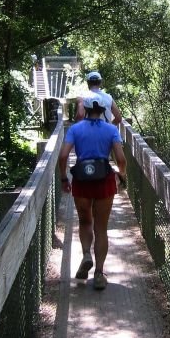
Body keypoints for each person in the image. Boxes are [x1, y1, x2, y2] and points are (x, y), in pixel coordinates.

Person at [58, 94, 127, 290]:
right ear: (103, 111)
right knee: (101, 228)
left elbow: (63, 156)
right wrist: (121, 175)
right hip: (104, 180)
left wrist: (64, 178)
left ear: (85, 110)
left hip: (81, 179)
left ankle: (86, 253)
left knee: (85, 221)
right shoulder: (111, 129)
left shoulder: (75, 129)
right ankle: (98, 273)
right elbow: (120, 159)